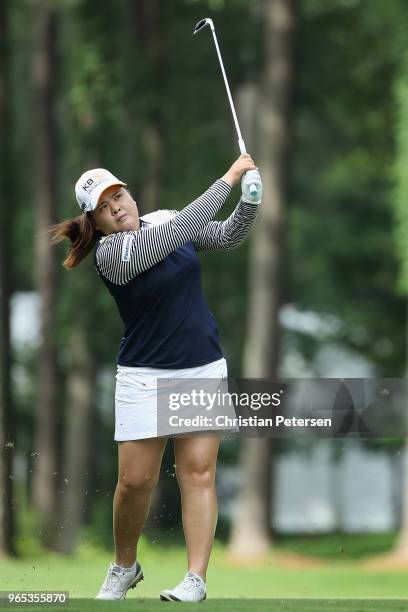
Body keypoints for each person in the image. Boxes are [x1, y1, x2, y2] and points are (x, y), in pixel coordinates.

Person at [51, 154, 262, 602]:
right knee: (135, 482)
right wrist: (228, 177)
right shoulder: (112, 254)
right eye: (105, 207)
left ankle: (195, 580)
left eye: (119, 196)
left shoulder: (166, 220)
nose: (118, 208)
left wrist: (249, 201)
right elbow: (185, 228)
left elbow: (225, 235)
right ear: (95, 221)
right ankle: (124, 567)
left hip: (202, 366)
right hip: (145, 377)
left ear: (129, 194)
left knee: (199, 473)